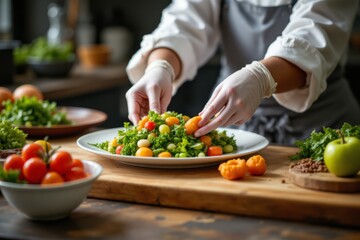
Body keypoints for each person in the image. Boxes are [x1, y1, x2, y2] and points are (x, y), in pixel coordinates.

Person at [125, 0, 360, 145]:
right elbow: (183, 22)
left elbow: (315, 33)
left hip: (322, 127)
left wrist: (261, 78)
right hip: (236, 127)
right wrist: (161, 66)